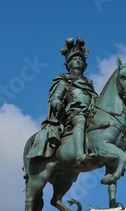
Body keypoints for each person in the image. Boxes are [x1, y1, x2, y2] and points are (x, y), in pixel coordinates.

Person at [26, 37, 98, 165]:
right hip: (72, 114)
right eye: (75, 59)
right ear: (69, 63)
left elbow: (95, 98)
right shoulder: (64, 79)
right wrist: (56, 102)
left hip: (90, 112)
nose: (78, 61)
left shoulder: (89, 83)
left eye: (80, 59)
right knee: (80, 119)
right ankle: (80, 155)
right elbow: (56, 96)